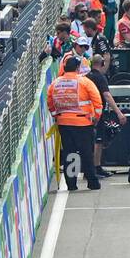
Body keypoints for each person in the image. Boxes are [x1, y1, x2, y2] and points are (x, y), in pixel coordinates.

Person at [47, 55, 103, 191]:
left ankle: (71, 184)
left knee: (69, 152)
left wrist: (56, 116)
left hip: (64, 123)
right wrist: (96, 117)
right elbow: (97, 101)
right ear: (78, 68)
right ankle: (92, 182)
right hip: (83, 123)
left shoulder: (55, 83)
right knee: (86, 153)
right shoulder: (85, 82)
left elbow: (50, 101)